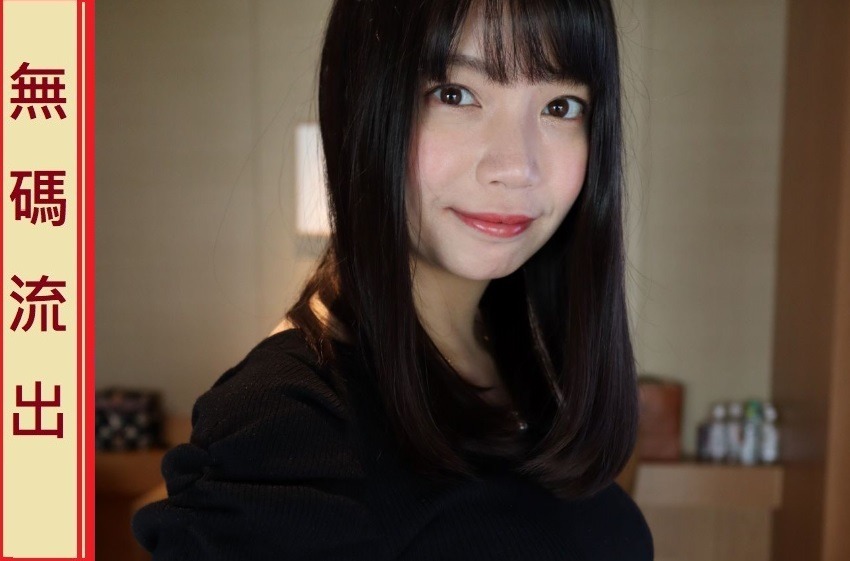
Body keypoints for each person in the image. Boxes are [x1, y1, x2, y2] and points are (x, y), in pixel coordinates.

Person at [131, 0, 653, 558]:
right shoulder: (291, 426)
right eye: (455, 94)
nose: (517, 167)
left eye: (560, 106)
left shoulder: (527, 367)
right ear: (363, 107)